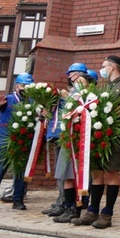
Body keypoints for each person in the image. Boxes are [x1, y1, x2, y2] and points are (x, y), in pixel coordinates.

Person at [75, 55, 120, 229]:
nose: (102, 69)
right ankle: (92, 211)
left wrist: (102, 106)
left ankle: (107, 213)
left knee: (110, 173)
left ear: (113, 67)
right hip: (98, 134)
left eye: (104, 66)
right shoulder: (104, 87)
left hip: (113, 134)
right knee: (97, 173)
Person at [0, 73, 34, 211]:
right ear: (17, 86)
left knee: (19, 171)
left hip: (22, 141)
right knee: (0, 170)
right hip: (4, 139)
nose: (26, 89)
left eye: (29, 86)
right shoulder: (8, 99)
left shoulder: (31, 102)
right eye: (23, 86)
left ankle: (17, 200)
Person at [53, 63, 92, 223]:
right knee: (66, 175)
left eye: (79, 79)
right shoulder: (70, 97)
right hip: (67, 138)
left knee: (77, 176)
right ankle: (67, 207)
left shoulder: (89, 99)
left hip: (79, 140)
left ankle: (75, 209)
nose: (74, 81)